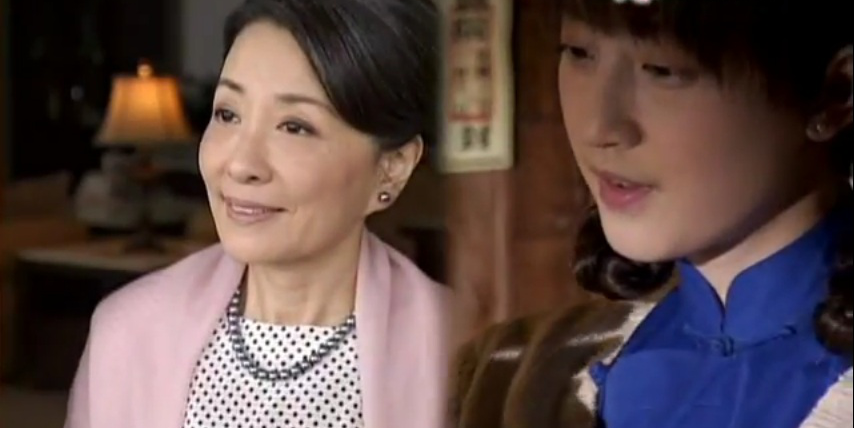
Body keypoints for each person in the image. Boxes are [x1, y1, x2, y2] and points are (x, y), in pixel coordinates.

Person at [452, 0, 852, 427]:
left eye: (663, 70)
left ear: (835, 95)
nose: (600, 129)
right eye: (579, 52)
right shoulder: (504, 377)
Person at [64, 1, 450, 427]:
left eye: (294, 126)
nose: (241, 164)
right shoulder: (129, 332)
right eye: (227, 114)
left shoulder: (458, 352)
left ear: (392, 166)